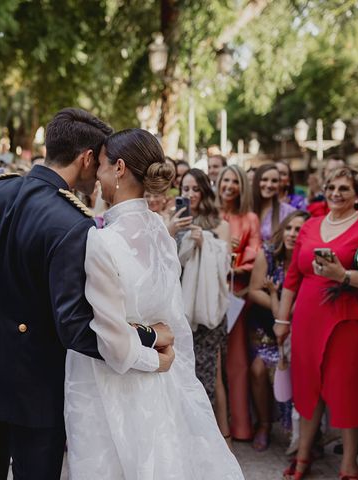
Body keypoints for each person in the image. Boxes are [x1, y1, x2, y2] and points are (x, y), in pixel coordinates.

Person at [0, 108, 166, 480]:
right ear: (87, 158)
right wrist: (146, 337)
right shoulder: (72, 223)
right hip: (37, 383)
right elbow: (74, 326)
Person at [65, 129, 243, 479]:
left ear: (118, 168)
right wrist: (167, 357)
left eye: (100, 165)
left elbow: (113, 342)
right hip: (163, 385)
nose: (96, 175)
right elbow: (173, 323)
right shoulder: (160, 230)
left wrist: (156, 359)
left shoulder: (101, 241)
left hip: (112, 386)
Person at [274, 166, 358, 479]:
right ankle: (303, 457)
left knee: (347, 390)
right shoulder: (310, 225)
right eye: (331, 187)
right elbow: (292, 278)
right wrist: (282, 319)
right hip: (307, 320)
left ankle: (349, 463)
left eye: (344, 188)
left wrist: (344, 276)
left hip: (350, 322)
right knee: (307, 388)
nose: (335, 193)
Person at [168, 168, 233, 445]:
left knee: (207, 374)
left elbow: (226, 269)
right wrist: (177, 236)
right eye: (185, 189)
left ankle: (207, 439)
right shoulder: (173, 222)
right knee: (180, 372)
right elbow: (168, 265)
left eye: (195, 189)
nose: (190, 194)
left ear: (205, 191)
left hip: (207, 310)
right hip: (178, 307)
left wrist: (205, 243)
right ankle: (183, 435)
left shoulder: (220, 224)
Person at [247, 210, 310, 452]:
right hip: (265, 325)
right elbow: (254, 290)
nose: (293, 234)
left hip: (298, 326)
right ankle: (264, 424)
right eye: (290, 228)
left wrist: (284, 304)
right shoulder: (269, 253)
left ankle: (302, 433)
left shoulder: (307, 258)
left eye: (299, 230)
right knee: (258, 369)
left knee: (297, 373)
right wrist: (282, 307)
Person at [217, 164, 261, 441]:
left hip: (237, 293)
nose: (230, 185)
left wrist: (238, 267)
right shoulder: (209, 213)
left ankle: (242, 426)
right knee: (210, 361)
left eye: (235, 181)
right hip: (208, 293)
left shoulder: (250, 218)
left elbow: (254, 251)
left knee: (236, 361)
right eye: (225, 180)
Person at [252, 164, 297, 243]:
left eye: (274, 181)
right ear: (256, 181)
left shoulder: (289, 212)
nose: (269, 185)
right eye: (264, 179)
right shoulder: (244, 210)